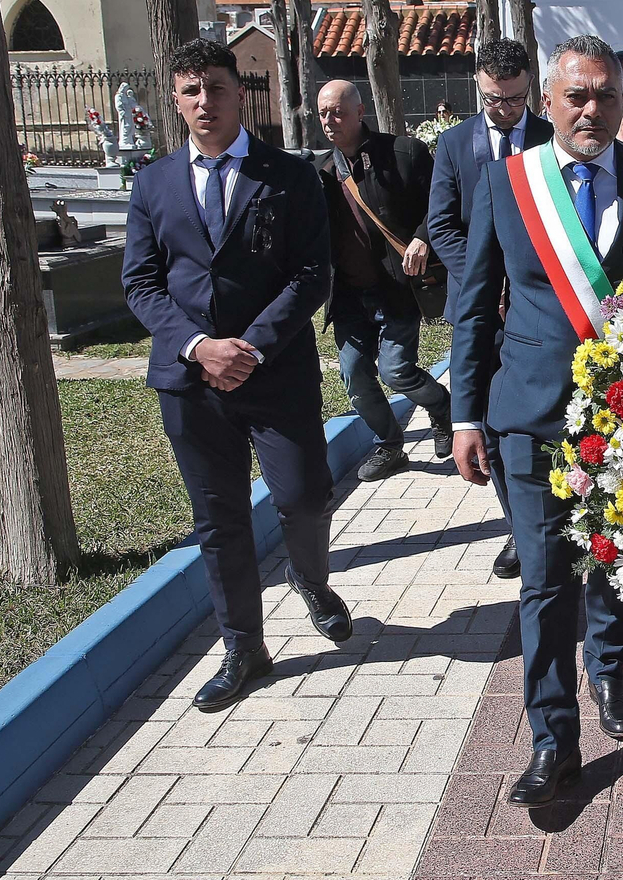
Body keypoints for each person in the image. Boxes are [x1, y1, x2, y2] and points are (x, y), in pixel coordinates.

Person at [449, 35, 623, 805]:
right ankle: (553, 738)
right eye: (576, 96)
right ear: (548, 101)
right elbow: (475, 306)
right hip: (531, 416)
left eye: (606, 96)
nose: (591, 109)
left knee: (618, 559)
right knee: (546, 583)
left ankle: (609, 668)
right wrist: (464, 415)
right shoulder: (506, 182)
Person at [122, 38, 350, 712]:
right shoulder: (153, 183)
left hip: (273, 372)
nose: (204, 102)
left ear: (239, 93)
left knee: (306, 495)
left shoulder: (290, 175)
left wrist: (247, 346)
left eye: (216, 89)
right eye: (190, 90)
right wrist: (198, 346)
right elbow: (140, 283)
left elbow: (313, 273)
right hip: (191, 383)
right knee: (217, 518)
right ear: (175, 97)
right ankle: (244, 646)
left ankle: (312, 579)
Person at [426, 37, 552, 581]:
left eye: (515, 99)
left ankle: (538, 526)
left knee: (534, 422)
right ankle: (519, 528)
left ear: (532, 90)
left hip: (537, 306)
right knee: (486, 426)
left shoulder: (553, 139)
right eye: (493, 100)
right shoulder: (454, 145)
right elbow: (441, 225)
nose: (503, 111)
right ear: (478, 86)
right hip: (479, 308)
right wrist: (484, 277)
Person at [315, 80, 453, 482]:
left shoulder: (404, 153)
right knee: (355, 375)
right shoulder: (321, 172)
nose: (329, 121)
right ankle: (391, 445)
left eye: (338, 112)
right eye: (324, 113)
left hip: (399, 288)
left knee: (396, 370)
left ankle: (443, 408)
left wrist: (422, 239)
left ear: (360, 112)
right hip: (350, 295)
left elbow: (442, 205)